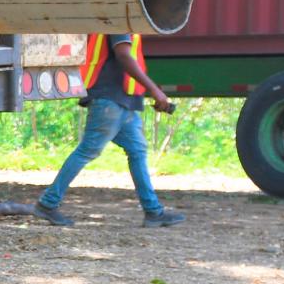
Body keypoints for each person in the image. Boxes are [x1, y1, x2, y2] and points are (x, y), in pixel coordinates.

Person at [35, 33, 186, 228]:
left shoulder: (123, 18)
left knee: (137, 151)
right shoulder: (120, 18)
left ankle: (153, 212)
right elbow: (123, 55)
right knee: (88, 150)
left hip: (122, 100)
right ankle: (47, 203)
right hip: (111, 100)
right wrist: (154, 90)